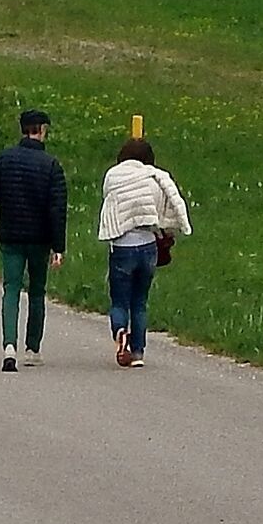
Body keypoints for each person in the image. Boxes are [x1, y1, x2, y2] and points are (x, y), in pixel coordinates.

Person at [98, 127, 190, 367]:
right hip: (148, 246)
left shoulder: (113, 176)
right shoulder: (155, 178)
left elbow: (108, 199)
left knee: (119, 301)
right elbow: (162, 212)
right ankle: (138, 352)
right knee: (139, 302)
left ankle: (120, 331)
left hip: (121, 246)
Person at [0, 109, 67, 371]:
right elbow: (57, 208)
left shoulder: (4, 158)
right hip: (40, 237)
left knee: (11, 287)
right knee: (37, 291)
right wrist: (58, 245)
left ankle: (9, 345)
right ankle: (32, 348)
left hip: (10, 232)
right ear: (41, 130)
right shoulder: (51, 165)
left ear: (22, 129)